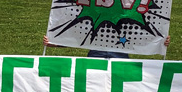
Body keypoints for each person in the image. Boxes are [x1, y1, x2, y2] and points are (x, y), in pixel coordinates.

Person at [42, 34, 170, 58]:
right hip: (95, 59)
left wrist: (161, 42)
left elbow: (140, 37)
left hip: (120, 60)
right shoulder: (95, 22)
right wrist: (54, 42)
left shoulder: (127, 23)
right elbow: (77, 37)